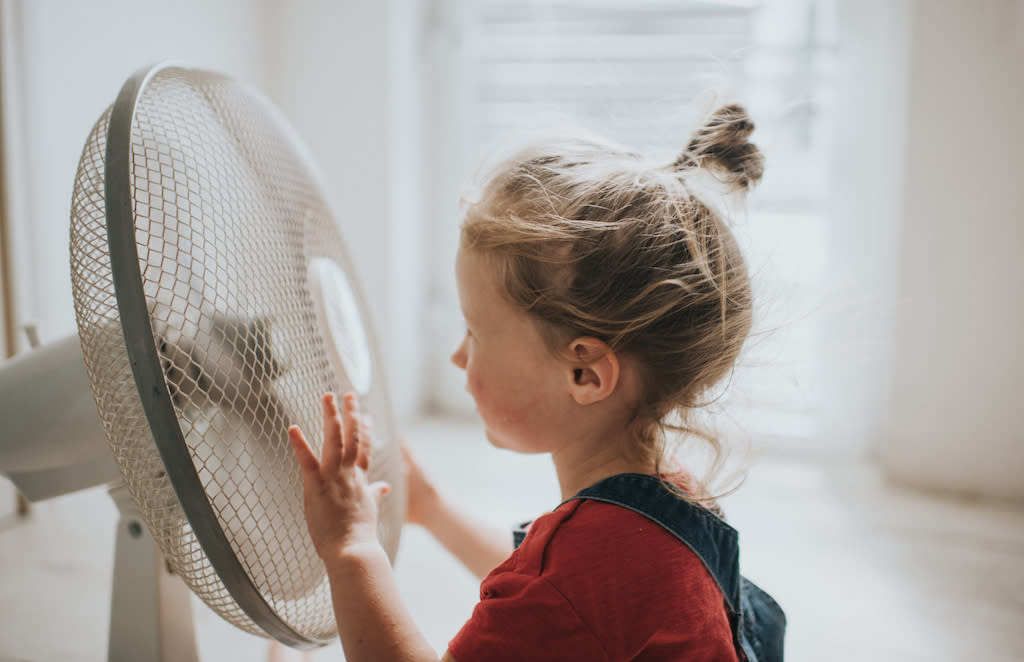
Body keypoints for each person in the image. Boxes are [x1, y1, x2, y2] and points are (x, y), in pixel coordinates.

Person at [288, 103, 782, 662]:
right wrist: (433, 509)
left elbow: (554, 592)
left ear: (585, 373)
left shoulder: (579, 571)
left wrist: (351, 549)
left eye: (475, 332)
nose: (457, 356)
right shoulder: (666, 498)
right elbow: (550, 601)